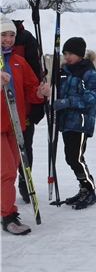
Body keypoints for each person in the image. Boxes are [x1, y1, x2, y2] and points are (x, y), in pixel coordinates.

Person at [1, 14, 50, 235]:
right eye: (3, 35)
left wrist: (39, 93)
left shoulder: (18, 62)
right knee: (7, 171)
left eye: (11, 35)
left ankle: (7, 211)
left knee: (11, 170)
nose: (8, 39)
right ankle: (8, 215)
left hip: (15, 124)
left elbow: (30, 90)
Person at [54, 37, 96, 210]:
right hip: (66, 122)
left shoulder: (88, 72)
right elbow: (56, 91)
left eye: (71, 53)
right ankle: (83, 188)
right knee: (70, 157)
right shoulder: (63, 71)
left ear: (80, 54)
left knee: (76, 158)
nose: (67, 57)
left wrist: (68, 102)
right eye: (65, 53)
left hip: (81, 122)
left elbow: (93, 96)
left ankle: (89, 190)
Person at [10, 19, 46, 204]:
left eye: (10, 35)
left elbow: (34, 77)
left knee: (25, 147)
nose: (7, 39)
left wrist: (38, 104)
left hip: (24, 108)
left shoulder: (25, 39)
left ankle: (25, 181)